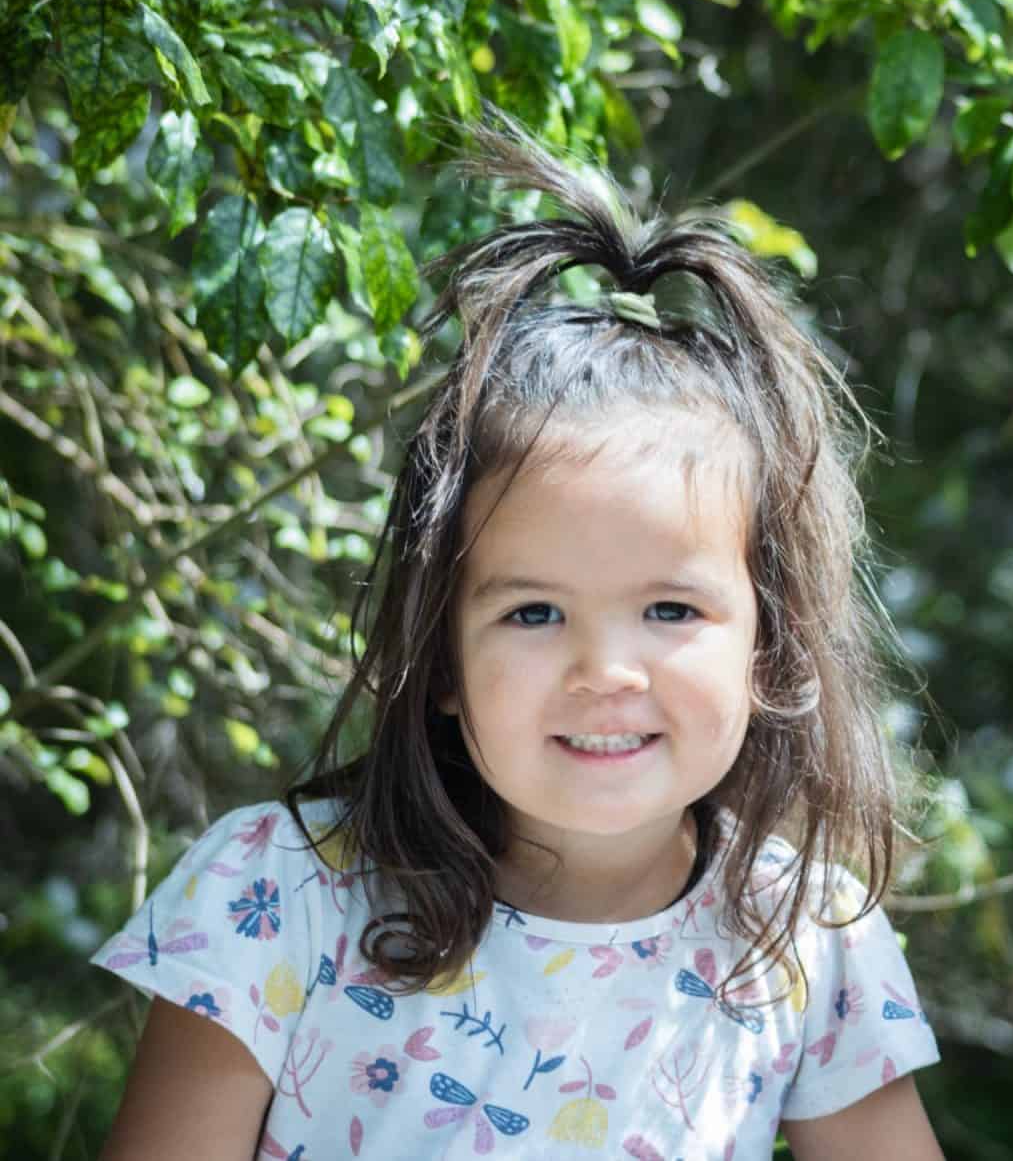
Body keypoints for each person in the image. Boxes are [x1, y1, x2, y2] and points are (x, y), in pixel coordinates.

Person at [93, 117, 943, 1161]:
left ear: (771, 648)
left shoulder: (804, 935)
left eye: (671, 611)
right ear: (442, 657)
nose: (606, 672)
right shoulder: (282, 898)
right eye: (534, 613)